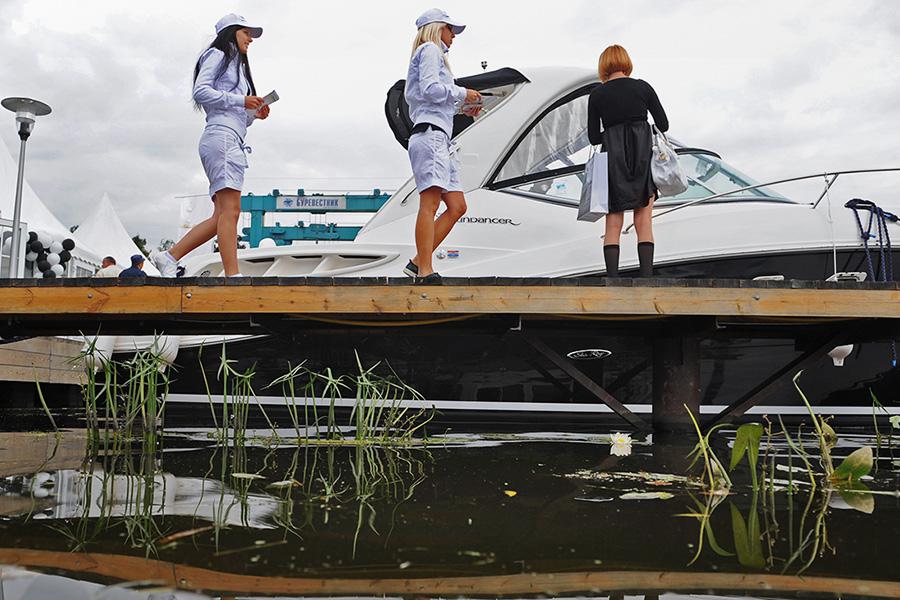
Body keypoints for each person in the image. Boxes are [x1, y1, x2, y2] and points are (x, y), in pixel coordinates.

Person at [154, 13, 270, 278]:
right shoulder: (218, 54)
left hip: (228, 136)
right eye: (246, 33)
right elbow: (200, 91)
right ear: (231, 33)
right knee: (231, 210)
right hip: (223, 138)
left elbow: (230, 110)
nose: (250, 39)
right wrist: (242, 101)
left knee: (222, 214)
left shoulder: (236, 67)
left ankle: (169, 256)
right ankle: (233, 275)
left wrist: (253, 113)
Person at [403, 8, 482, 282]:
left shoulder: (431, 53)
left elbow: (433, 98)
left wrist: (462, 108)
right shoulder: (430, 50)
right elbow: (430, 89)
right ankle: (425, 270)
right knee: (431, 203)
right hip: (431, 136)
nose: (453, 36)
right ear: (438, 28)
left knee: (458, 206)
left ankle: (417, 262)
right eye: (451, 30)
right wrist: (463, 93)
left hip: (438, 136)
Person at [587, 44, 669, 278]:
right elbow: (663, 125)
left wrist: (613, 133)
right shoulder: (642, 87)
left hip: (612, 158)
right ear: (626, 62)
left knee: (613, 222)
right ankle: (646, 278)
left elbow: (594, 137)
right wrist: (639, 128)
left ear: (603, 66)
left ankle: (612, 278)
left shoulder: (597, 94)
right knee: (643, 218)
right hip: (642, 154)